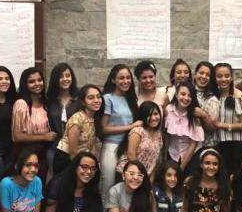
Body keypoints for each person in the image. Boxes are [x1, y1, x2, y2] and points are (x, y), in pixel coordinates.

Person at [100, 65, 141, 199]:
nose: (126, 81)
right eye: (121, 78)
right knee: (108, 185)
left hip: (127, 148)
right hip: (111, 148)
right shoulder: (107, 98)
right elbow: (103, 128)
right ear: (113, 80)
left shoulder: (130, 99)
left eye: (128, 78)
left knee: (124, 185)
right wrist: (130, 126)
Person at [12, 67, 57, 184]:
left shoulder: (45, 102)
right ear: (25, 84)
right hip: (26, 153)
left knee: (39, 186)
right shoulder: (21, 104)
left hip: (43, 153)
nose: (37, 84)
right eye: (31, 81)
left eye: (39, 80)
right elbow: (17, 136)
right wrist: (44, 137)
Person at [53, 84, 103, 175]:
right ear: (83, 102)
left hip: (82, 161)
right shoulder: (77, 119)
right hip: (68, 159)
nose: (96, 100)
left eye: (98, 97)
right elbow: (73, 151)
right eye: (91, 98)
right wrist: (77, 170)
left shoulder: (95, 118)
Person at [213, 62, 242, 176]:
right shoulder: (217, 95)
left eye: (227, 76)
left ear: (231, 77)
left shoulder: (239, 96)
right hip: (223, 143)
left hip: (239, 144)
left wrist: (220, 125)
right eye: (219, 76)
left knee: (238, 178)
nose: (223, 79)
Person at [46, 63, 79, 173]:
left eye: (67, 75)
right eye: (61, 76)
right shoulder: (49, 100)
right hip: (54, 148)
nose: (65, 79)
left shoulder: (79, 99)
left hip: (76, 148)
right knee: (55, 179)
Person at [116, 101, 163, 178]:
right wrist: (140, 176)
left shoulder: (158, 135)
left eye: (156, 114)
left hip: (144, 177)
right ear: (143, 116)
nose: (154, 118)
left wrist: (150, 180)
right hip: (128, 175)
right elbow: (131, 155)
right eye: (149, 115)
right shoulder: (138, 131)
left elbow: (155, 160)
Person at [165, 81, 204, 170]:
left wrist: (181, 168)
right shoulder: (168, 109)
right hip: (172, 154)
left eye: (190, 96)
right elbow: (166, 136)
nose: (186, 98)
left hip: (190, 157)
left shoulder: (195, 114)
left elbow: (193, 145)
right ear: (176, 95)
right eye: (183, 94)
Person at [192, 61, 220, 150]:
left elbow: (212, 129)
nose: (203, 76)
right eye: (201, 73)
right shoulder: (186, 92)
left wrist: (203, 115)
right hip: (186, 144)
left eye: (207, 75)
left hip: (206, 146)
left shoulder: (212, 99)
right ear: (195, 74)